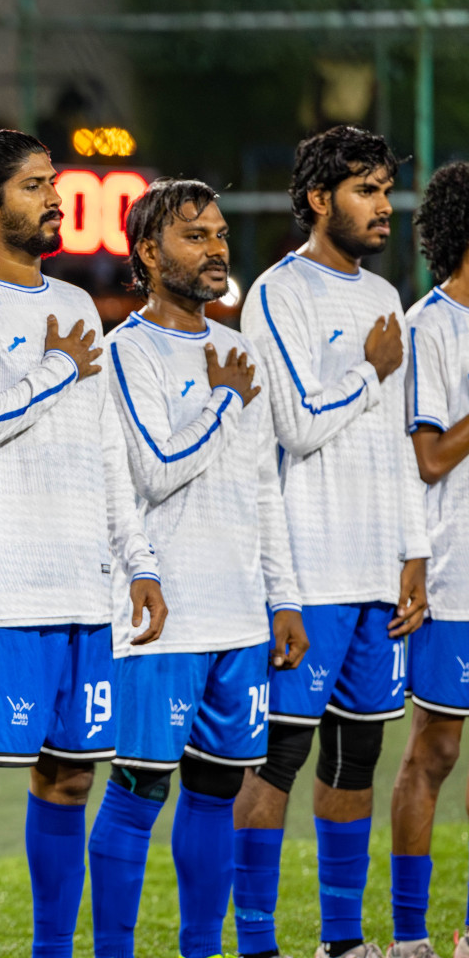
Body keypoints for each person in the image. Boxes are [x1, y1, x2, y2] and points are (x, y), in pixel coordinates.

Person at [0, 128, 166, 958]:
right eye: (32, 186)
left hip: (81, 588)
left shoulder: (75, 305)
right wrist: (55, 368)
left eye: (50, 182)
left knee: (72, 777)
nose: (54, 198)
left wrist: (138, 561)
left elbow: (106, 452)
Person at [87, 178, 308, 958]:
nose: (216, 249)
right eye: (195, 236)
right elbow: (149, 470)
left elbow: (263, 487)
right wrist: (219, 401)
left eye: (219, 234)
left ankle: (200, 950)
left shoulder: (241, 351)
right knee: (142, 788)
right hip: (165, 611)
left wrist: (283, 597)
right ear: (148, 253)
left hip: (240, 615)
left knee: (217, 791)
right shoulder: (125, 352)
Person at [233, 125, 430, 958]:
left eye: (386, 190)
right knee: (276, 761)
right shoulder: (279, 294)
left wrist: (414, 552)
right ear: (320, 200)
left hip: (377, 571)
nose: (384, 206)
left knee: (356, 760)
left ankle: (343, 943)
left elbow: (393, 443)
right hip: (306, 570)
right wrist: (370, 371)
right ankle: (254, 943)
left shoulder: (384, 299)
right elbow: (296, 425)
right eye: (366, 190)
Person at [385, 161, 469, 958]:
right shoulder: (430, 325)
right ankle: (411, 937)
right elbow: (432, 458)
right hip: (455, 575)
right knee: (434, 751)